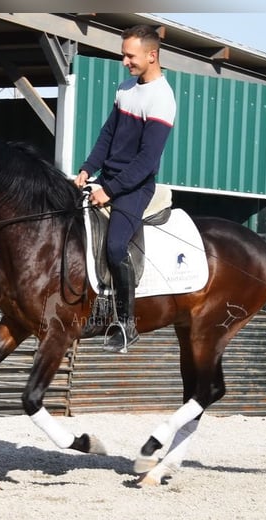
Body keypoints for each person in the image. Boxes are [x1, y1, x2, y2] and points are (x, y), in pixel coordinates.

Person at [74, 24, 177, 353]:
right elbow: (108, 134)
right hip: (107, 181)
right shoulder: (126, 88)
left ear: (152, 55)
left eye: (129, 56)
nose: (124, 61)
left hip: (134, 189)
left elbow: (146, 161)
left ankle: (126, 323)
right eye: (124, 55)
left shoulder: (162, 99)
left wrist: (111, 190)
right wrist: (88, 167)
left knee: (116, 247)